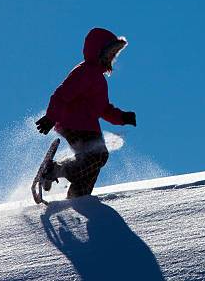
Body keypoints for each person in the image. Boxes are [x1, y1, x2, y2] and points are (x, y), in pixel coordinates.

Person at [35, 27, 136, 199]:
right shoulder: (85, 72)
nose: (112, 58)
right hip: (74, 124)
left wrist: (122, 117)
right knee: (98, 155)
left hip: (89, 127)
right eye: (110, 53)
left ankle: (78, 198)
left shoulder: (99, 79)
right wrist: (51, 117)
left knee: (92, 166)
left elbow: (103, 109)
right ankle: (54, 170)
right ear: (98, 52)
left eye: (114, 54)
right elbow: (62, 94)